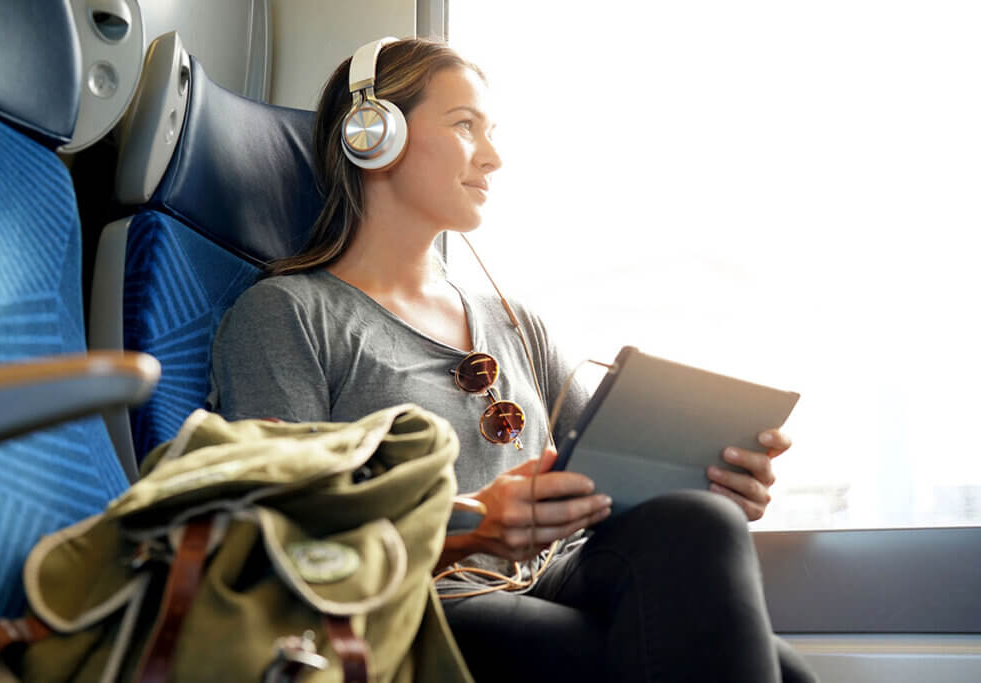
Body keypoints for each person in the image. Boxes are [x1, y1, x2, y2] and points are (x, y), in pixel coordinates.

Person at [208, 37, 818, 682]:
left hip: (551, 577)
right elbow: (281, 536)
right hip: (424, 603)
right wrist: (472, 523)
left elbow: (601, 484)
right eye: (465, 126)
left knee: (701, 523)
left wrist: (711, 479)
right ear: (373, 133)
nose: (493, 159)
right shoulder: (288, 314)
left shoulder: (516, 322)